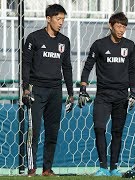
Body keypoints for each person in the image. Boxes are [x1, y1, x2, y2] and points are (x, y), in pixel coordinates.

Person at [78, 12, 135, 176]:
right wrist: (83, 88)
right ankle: (103, 167)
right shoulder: (99, 45)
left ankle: (114, 167)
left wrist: (133, 93)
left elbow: (132, 70)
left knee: (117, 132)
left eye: (124, 26)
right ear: (111, 26)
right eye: (119, 26)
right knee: (99, 128)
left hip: (121, 96)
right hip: (103, 95)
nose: (122, 30)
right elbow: (88, 66)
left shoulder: (130, 46)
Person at [22, 4, 74, 176]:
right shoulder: (34, 38)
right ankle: (31, 169)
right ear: (48, 18)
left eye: (63, 19)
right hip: (36, 89)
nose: (61, 23)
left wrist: (71, 93)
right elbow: (26, 64)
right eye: (58, 19)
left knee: (52, 132)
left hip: (55, 91)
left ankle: (47, 168)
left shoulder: (64, 41)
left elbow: (67, 68)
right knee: (34, 131)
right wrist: (25, 89)